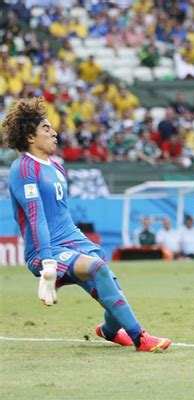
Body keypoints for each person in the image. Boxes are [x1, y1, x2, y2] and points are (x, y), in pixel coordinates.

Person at [4, 97, 171, 353]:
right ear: (29, 137)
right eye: (46, 129)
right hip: (46, 249)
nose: (54, 133)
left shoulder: (57, 168)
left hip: (74, 240)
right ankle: (141, 339)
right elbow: (36, 215)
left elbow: (61, 213)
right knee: (99, 269)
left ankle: (109, 331)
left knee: (112, 289)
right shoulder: (24, 168)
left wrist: (82, 242)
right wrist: (47, 260)